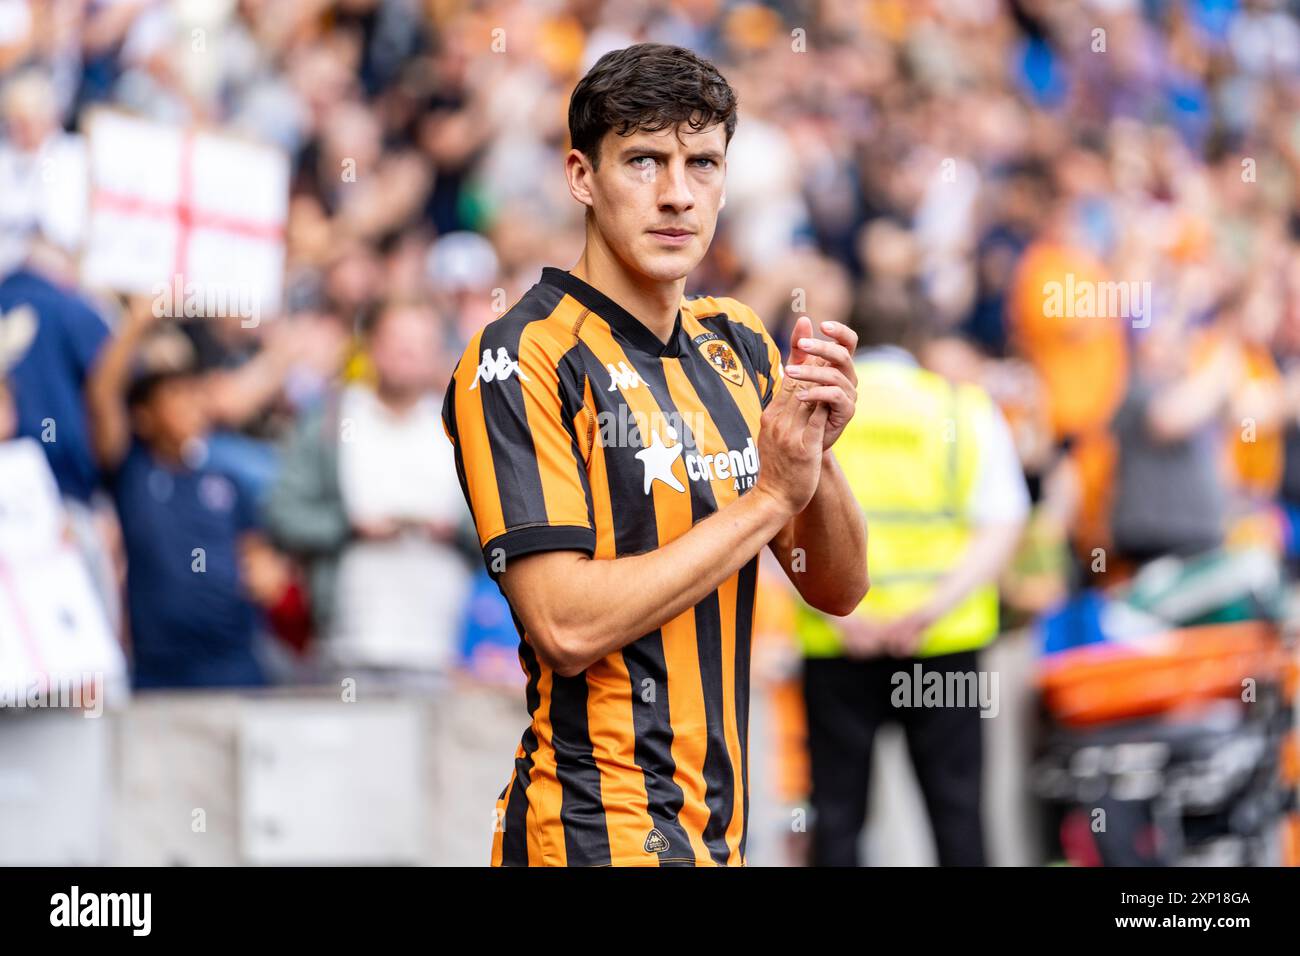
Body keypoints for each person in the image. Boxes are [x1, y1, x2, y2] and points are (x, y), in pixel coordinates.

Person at [441, 43, 869, 867]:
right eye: (644, 161)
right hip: (588, 834)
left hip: (721, 835)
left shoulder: (740, 342)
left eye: (702, 164)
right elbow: (563, 624)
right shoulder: (518, 355)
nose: (678, 195)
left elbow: (840, 588)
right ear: (580, 177)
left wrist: (815, 457)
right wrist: (770, 500)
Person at [796, 302, 1029, 867]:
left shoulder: (810, 411)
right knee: (957, 814)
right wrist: (927, 612)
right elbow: (1003, 523)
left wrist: (842, 617)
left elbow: (771, 524)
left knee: (838, 818)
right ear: (918, 341)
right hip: (941, 646)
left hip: (839, 649)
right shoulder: (961, 407)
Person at [265, 299, 475, 688]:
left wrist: (456, 528)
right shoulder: (329, 420)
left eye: (421, 342)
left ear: (439, 352)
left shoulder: (463, 426)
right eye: (397, 339)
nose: (408, 352)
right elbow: (283, 513)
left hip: (440, 649)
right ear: (371, 346)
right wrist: (349, 526)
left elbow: (501, 531)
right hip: (344, 644)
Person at [85, 299, 289, 689]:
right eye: (175, 396)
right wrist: (137, 325)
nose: (191, 405)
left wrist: (267, 574)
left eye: (194, 394)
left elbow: (258, 557)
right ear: (143, 416)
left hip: (235, 664)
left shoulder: (226, 480)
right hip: (160, 669)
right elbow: (102, 395)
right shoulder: (132, 472)